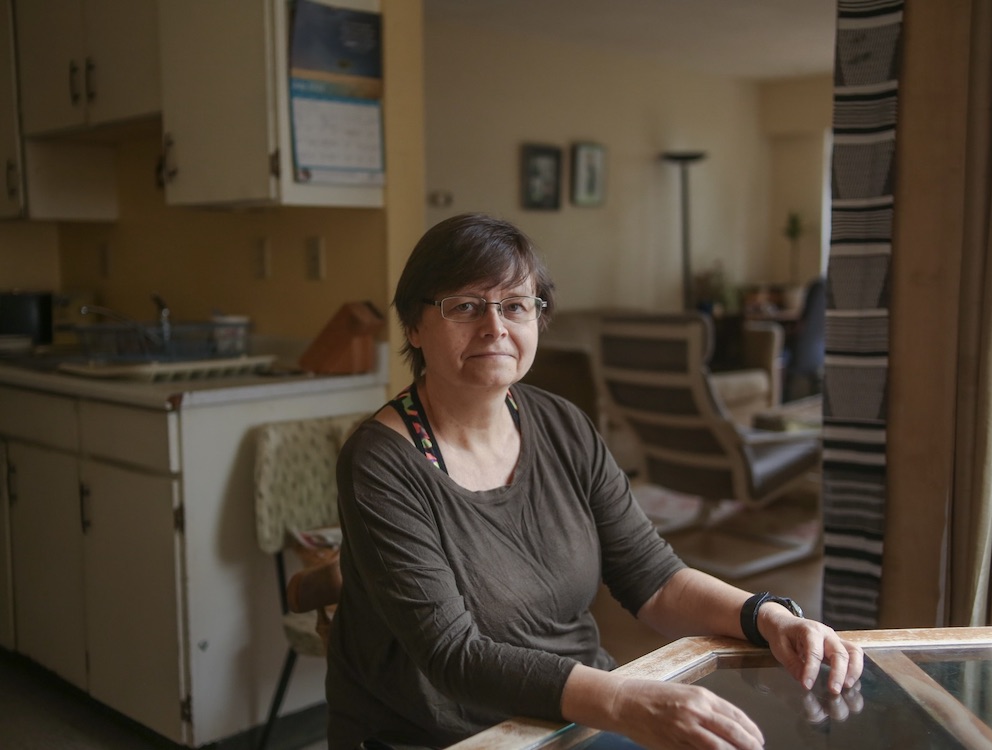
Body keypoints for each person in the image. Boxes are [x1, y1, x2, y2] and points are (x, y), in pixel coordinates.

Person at [325, 213, 864, 750]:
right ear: (414, 327)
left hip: (571, 716)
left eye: (515, 306)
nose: (494, 327)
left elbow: (653, 578)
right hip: (451, 734)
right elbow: (453, 656)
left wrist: (768, 617)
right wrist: (627, 701)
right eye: (464, 307)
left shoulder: (562, 424)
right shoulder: (379, 462)